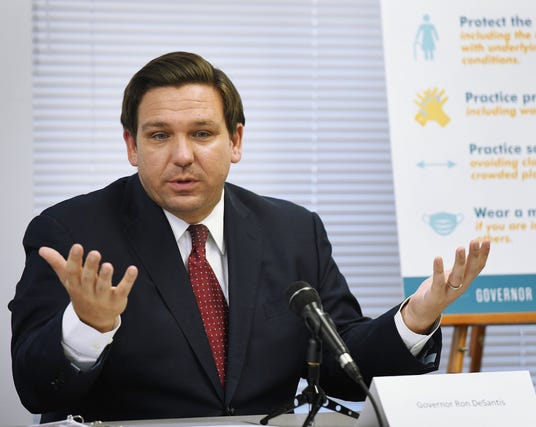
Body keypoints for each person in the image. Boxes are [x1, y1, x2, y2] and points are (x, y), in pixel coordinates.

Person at [9, 51, 490, 423]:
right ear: (131, 146)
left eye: (202, 133)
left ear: (235, 141)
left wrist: (415, 317)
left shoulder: (293, 231)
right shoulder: (72, 234)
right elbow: (37, 389)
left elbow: (346, 369)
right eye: (159, 136)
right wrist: (87, 328)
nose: (182, 155)